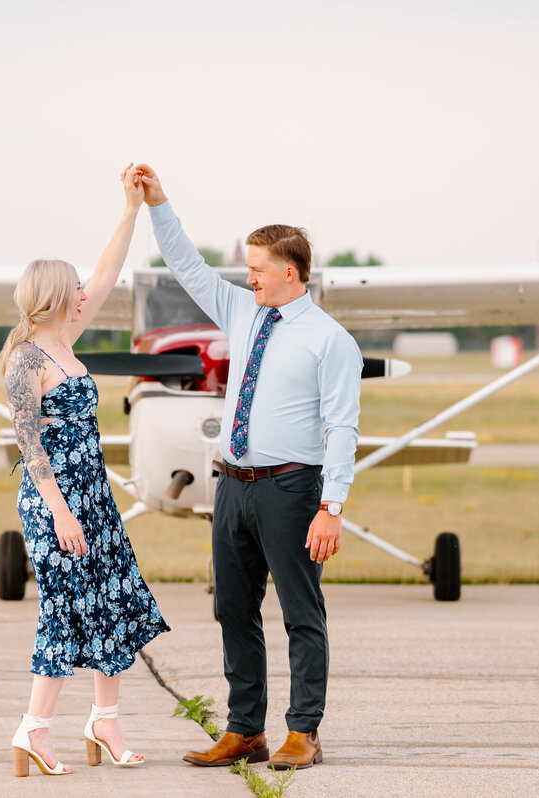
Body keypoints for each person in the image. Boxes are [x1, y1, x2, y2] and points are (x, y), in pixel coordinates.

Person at [138, 164, 361, 771]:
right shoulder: (242, 310)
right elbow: (187, 266)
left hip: (291, 489)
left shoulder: (330, 339)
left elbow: (343, 428)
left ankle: (303, 732)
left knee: (300, 612)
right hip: (231, 484)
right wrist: (160, 204)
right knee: (232, 609)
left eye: (258, 268)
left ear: (290, 272)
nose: (249, 276)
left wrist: (331, 506)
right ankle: (245, 731)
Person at [0, 164, 170, 777]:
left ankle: (104, 720)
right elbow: (30, 445)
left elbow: (107, 273)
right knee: (66, 606)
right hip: (55, 500)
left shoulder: (66, 338)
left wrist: (131, 210)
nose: (83, 291)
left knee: (111, 599)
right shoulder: (27, 359)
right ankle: (33, 730)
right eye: (71, 286)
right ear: (49, 295)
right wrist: (62, 512)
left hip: (92, 492)